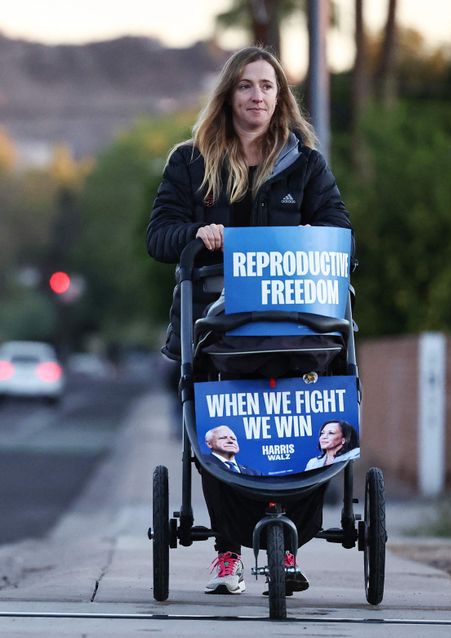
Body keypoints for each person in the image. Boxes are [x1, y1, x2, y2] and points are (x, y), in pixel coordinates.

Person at [146, 46, 352, 596]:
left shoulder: (305, 164)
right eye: (245, 85)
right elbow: (159, 235)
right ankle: (228, 550)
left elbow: (337, 229)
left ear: (280, 97)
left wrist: (309, 239)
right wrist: (196, 234)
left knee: (306, 419)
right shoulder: (190, 162)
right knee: (222, 423)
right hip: (218, 328)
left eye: (267, 86)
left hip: (295, 324)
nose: (257, 95)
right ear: (228, 96)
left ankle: (287, 546)